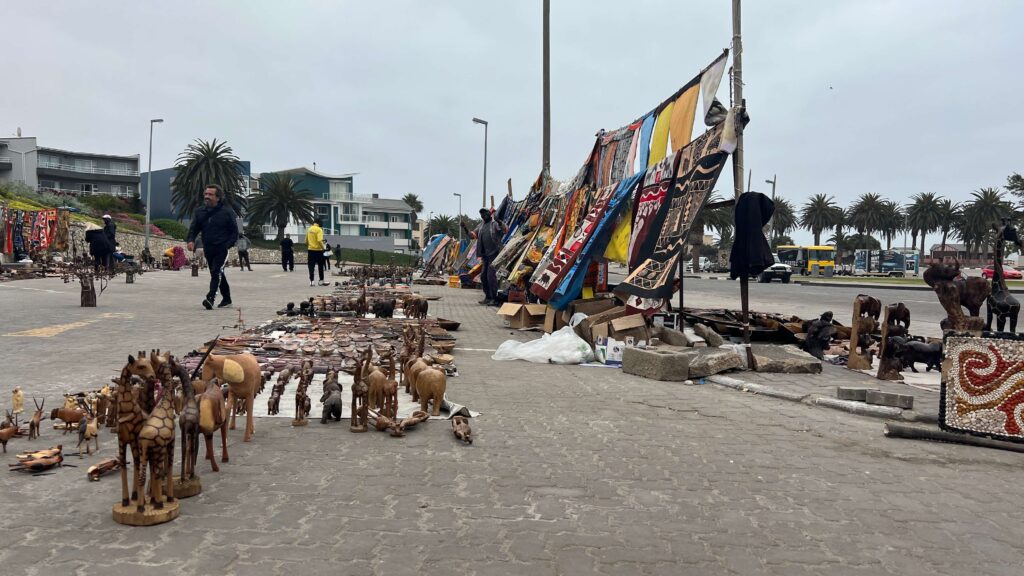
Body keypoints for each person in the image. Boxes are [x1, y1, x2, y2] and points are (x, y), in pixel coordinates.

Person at [187, 184, 239, 310]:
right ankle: (227, 299)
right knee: (217, 272)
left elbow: (234, 232)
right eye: (206, 194)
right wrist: (191, 240)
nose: (207, 197)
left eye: (210, 194)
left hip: (222, 248)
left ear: (218, 197)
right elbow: (194, 228)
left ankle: (210, 298)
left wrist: (227, 245)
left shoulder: (227, 212)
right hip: (208, 248)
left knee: (216, 271)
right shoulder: (200, 212)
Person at [461, 208, 508, 305]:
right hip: (485, 256)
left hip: (494, 254)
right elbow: (472, 236)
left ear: (489, 214)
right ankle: (488, 297)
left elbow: (505, 230)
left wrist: (499, 221)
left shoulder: (494, 224)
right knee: (483, 277)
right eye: (481, 214)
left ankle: (494, 298)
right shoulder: (481, 226)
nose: (483, 215)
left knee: (490, 276)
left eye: (484, 213)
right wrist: (465, 228)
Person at [305, 218, 327, 286]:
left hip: (310, 250)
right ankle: (321, 281)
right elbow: (319, 240)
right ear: (319, 223)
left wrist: (310, 245)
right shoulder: (319, 230)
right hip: (318, 251)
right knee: (320, 266)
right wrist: (323, 248)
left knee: (311, 266)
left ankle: (312, 281)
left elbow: (306, 241)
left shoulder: (309, 229)